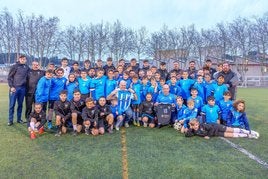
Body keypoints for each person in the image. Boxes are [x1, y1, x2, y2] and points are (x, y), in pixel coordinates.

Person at [7, 55, 30, 126]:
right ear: (19, 59)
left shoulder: (26, 67)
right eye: (22, 59)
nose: (23, 60)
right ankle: (10, 120)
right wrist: (11, 87)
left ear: (26, 60)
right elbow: (9, 77)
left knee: (20, 105)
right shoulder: (15, 66)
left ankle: (19, 119)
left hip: (23, 89)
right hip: (14, 88)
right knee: (12, 105)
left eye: (24, 59)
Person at [185, 118, 259, 139]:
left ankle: (250, 132)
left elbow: (211, 128)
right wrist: (190, 128)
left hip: (216, 127)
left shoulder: (202, 125)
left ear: (198, 123)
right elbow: (187, 135)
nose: (196, 126)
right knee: (230, 135)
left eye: (196, 124)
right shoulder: (194, 131)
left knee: (231, 130)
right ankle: (248, 136)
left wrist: (208, 136)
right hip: (215, 133)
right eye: (194, 125)